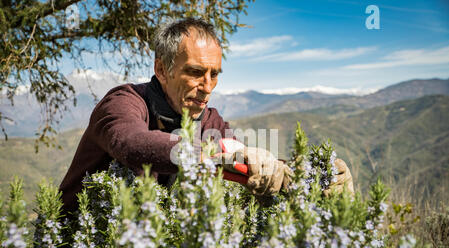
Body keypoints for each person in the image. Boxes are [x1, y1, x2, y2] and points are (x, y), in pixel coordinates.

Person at [59, 17, 353, 217]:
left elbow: (241, 159)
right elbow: (131, 143)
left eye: (214, 74)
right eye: (196, 72)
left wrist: (311, 175)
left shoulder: (208, 120)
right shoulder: (123, 103)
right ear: (162, 70)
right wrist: (209, 155)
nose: (208, 86)